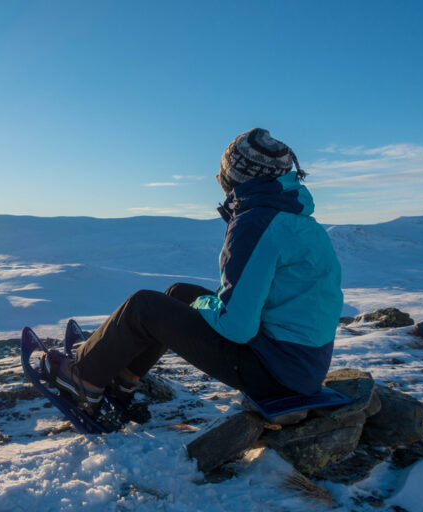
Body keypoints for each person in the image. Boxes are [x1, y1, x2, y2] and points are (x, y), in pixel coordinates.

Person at [42, 128, 343, 417]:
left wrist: (202, 305)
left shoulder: (257, 223)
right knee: (179, 294)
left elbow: (237, 326)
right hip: (300, 366)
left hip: (273, 372)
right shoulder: (297, 220)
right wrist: (199, 302)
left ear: (236, 175)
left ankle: (83, 379)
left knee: (143, 306)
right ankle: (122, 378)